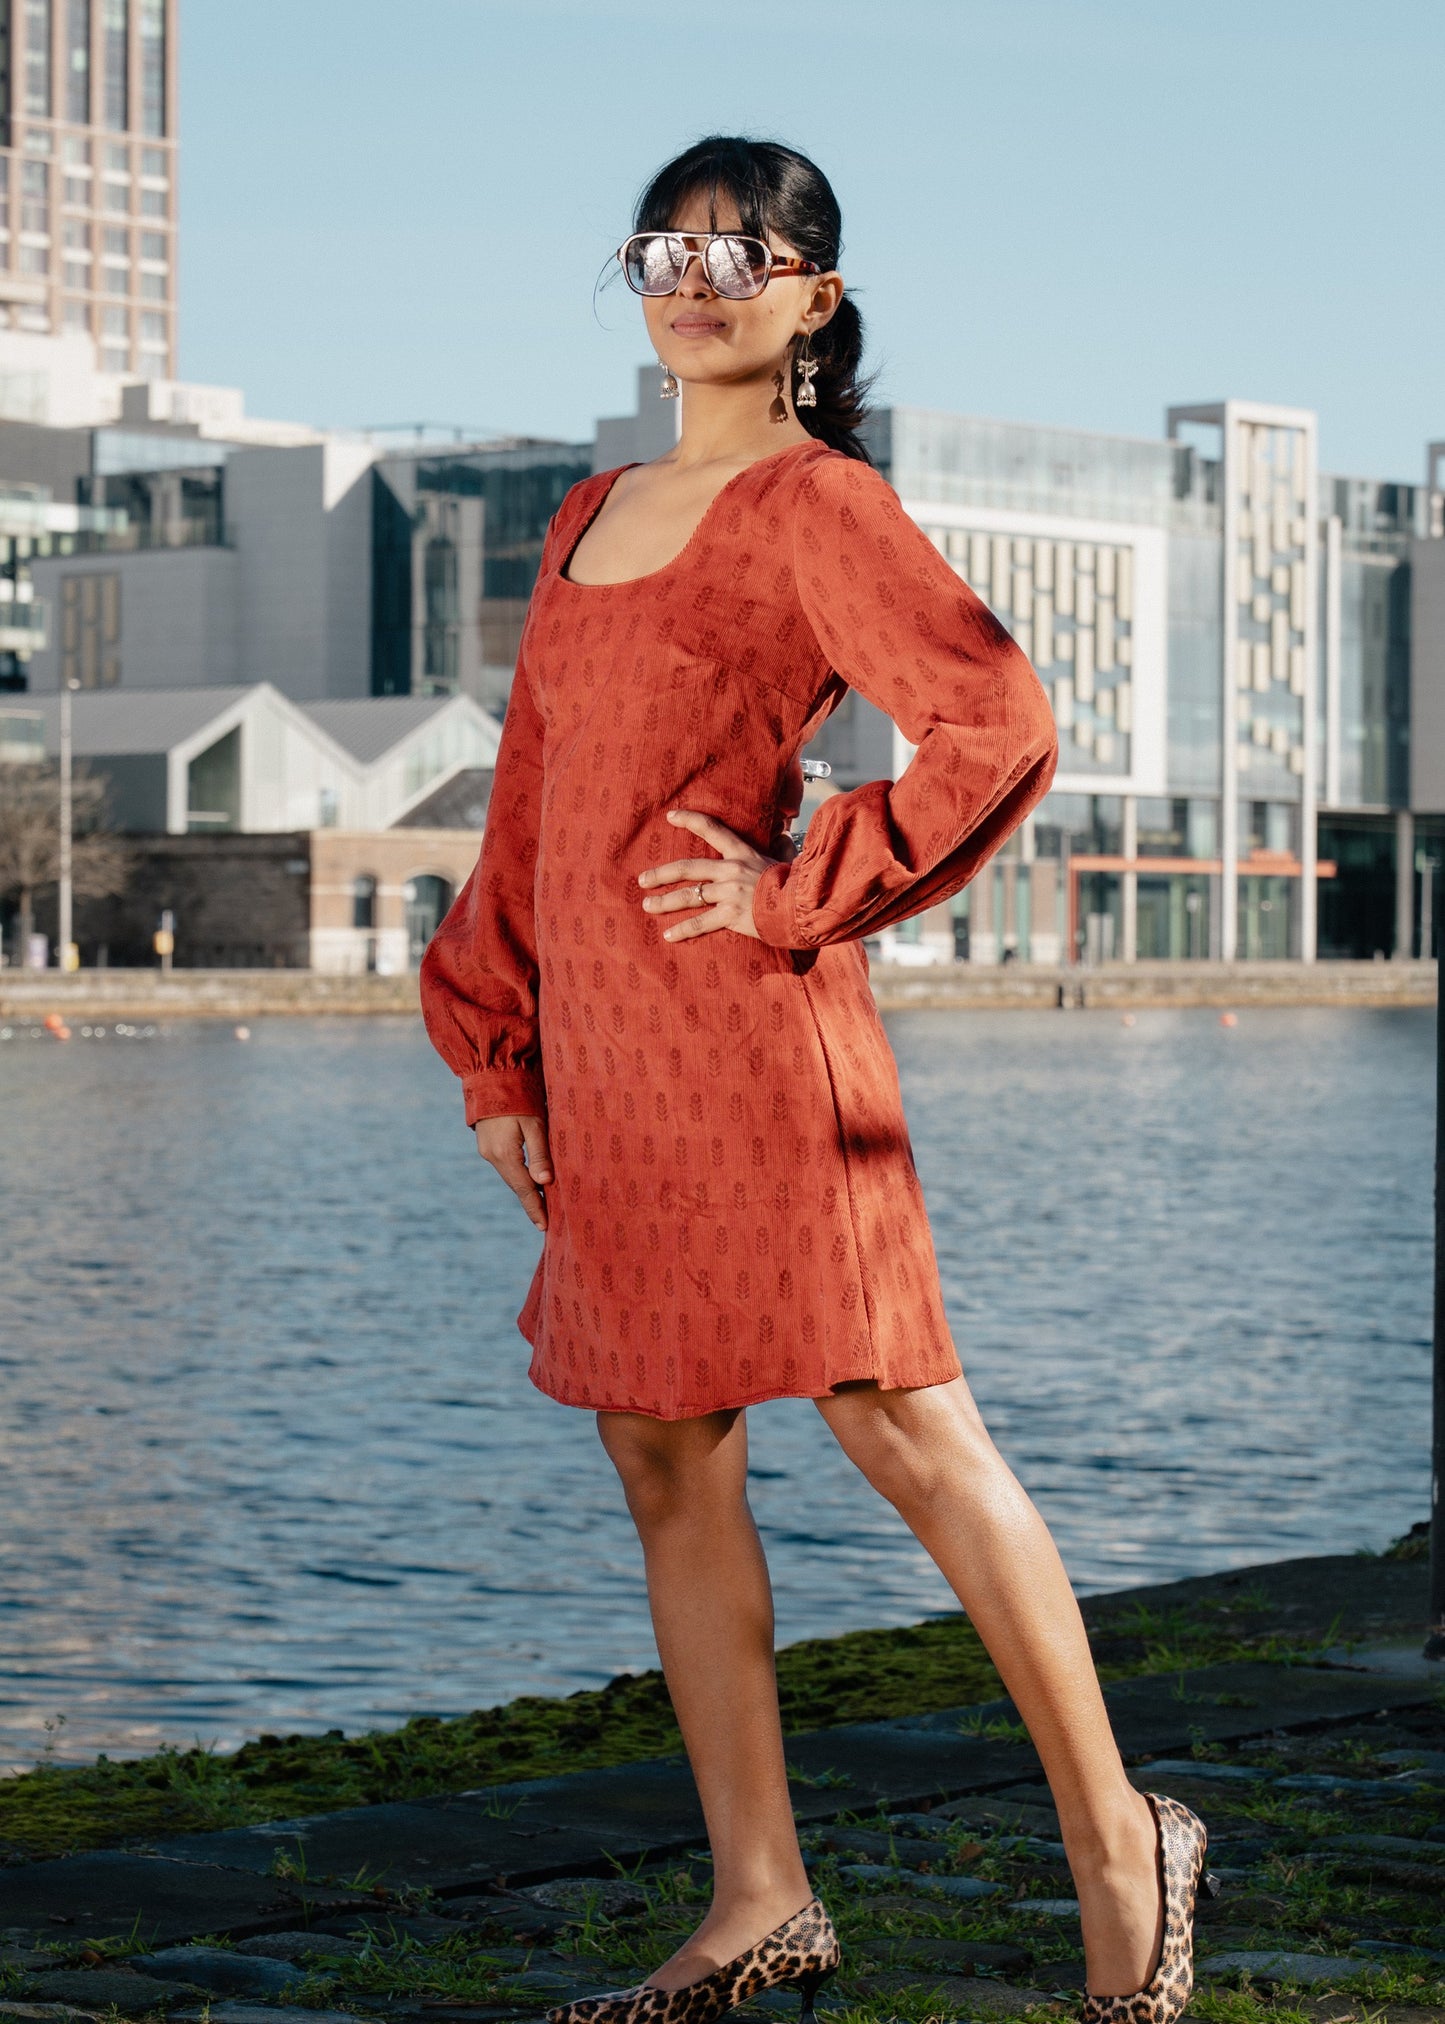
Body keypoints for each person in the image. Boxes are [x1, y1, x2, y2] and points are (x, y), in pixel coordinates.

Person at [421, 135, 1208, 2024]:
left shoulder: (815, 505)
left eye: (739, 254)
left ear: (810, 297)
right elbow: (529, 804)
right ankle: (757, 1895)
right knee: (659, 1443)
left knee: (901, 1427)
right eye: (662, 252)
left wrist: (804, 882)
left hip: (760, 1039)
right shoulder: (586, 511)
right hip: (606, 1062)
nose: (694, 281)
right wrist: (498, 1048)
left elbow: (992, 719)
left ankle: (1122, 1848)